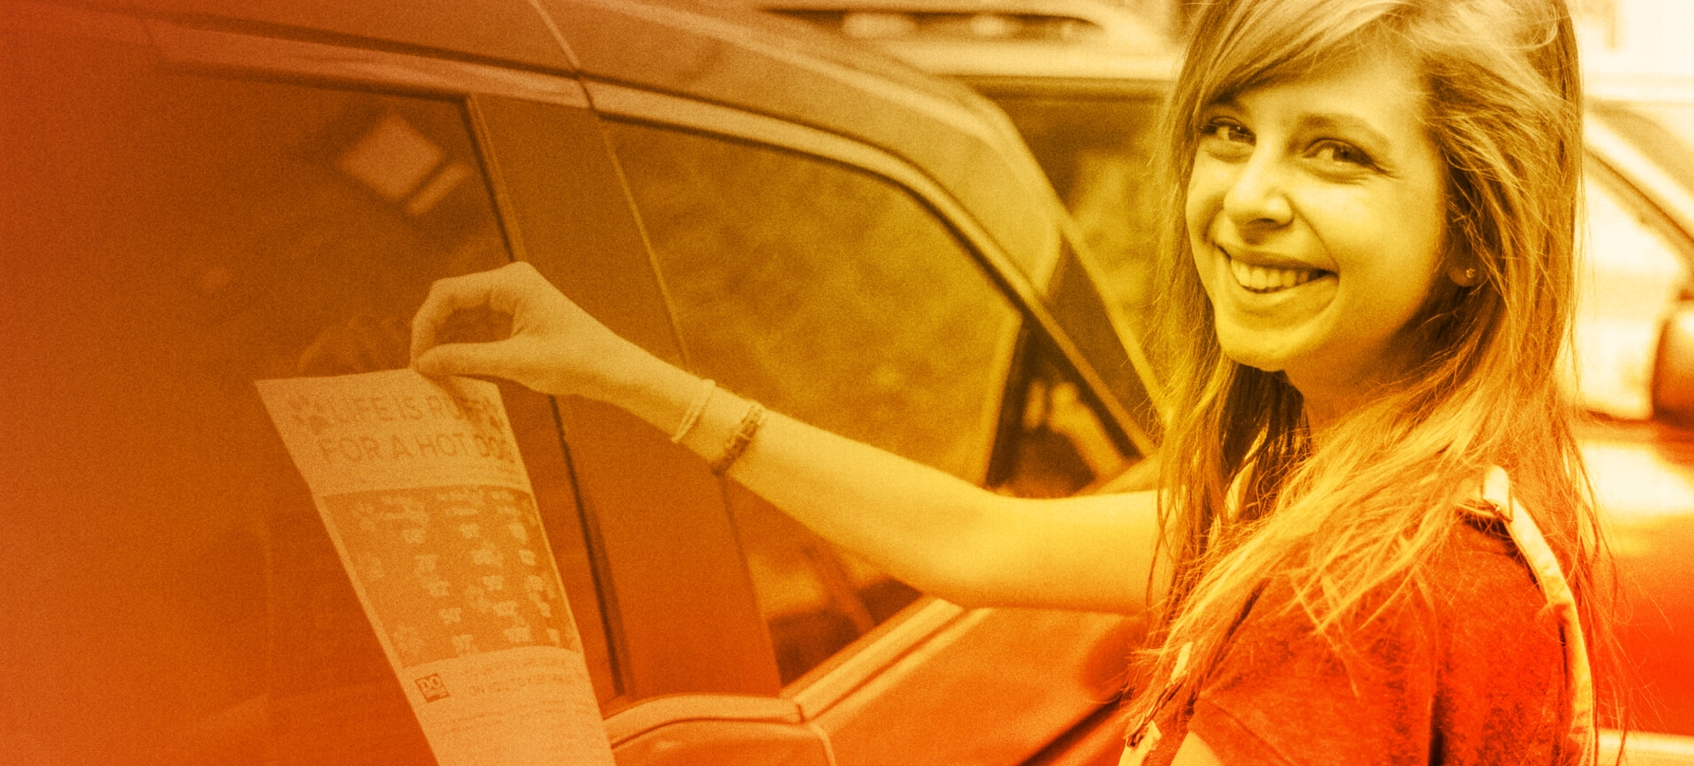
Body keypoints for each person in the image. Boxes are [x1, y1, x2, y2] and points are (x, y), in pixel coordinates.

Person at [407, 0, 1617, 763]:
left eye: (1335, 153)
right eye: (1229, 130)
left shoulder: (1361, 588)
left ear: (1471, 230)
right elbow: (979, 543)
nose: (1246, 197)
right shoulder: (1414, 494)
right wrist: (619, 373)